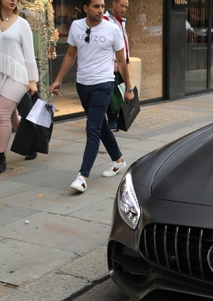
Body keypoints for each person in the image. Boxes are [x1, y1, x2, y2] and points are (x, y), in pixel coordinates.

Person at [49, 0, 133, 193]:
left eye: (102, 6)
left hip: (103, 84)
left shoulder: (112, 29)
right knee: (100, 125)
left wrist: (129, 88)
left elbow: (121, 61)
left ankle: (83, 176)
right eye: (96, 6)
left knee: (92, 128)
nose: (100, 10)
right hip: (82, 84)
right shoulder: (76, 26)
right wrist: (58, 80)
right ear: (85, 8)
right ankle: (118, 159)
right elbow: (70, 55)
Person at [0, 0, 39, 176]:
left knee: (1, 113)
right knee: (11, 117)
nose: (13, 1)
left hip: (17, 73)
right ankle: (30, 144)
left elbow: (29, 54)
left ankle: (0, 157)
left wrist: (32, 80)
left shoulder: (22, 23)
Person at [20, 0, 57, 102]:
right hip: (23, 42)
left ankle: (42, 106)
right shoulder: (19, 2)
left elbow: (49, 23)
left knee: (41, 73)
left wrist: (52, 42)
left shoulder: (44, 2)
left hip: (41, 43)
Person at [102, 0, 129, 132]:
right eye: (122, 6)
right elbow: (106, 43)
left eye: (126, 7)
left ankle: (114, 118)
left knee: (118, 89)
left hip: (121, 61)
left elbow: (123, 42)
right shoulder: (105, 20)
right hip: (111, 63)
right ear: (114, 3)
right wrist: (113, 60)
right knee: (112, 92)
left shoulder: (120, 21)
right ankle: (111, 119)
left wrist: (126, 60)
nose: (124, 9)